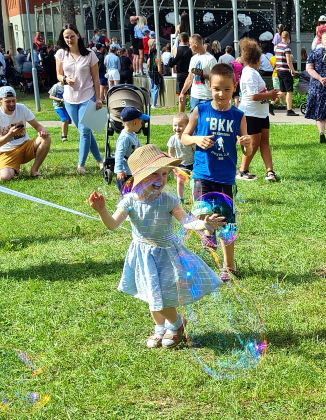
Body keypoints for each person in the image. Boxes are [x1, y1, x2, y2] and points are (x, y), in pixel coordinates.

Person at [88, 144, 225, 349]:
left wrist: (204, 224)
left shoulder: (168, 201)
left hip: (167, 255)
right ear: (139, 176)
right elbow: (112, 224)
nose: (161, 179)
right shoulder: (129, 201)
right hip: (143, 255)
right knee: (150, 294)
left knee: (160, 296)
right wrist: (102, 211)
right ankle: (160, 327)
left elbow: (186, 222)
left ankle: (176, 325)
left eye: (164, 174)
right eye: (155, 174)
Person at [180, 63, 253, 278]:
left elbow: (247, 150)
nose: (221, 94)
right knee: (203, 215)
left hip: (225, 177)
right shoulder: (200, 110)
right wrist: (197, 139)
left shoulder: (238, 116)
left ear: (234, 88)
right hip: (202, 174)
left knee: (226, 223)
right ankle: (208, 235)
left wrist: (247, 144)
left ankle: (229, 266)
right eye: (217, 89)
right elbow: (184, 136)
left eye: (227, 89)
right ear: (209, 87)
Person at [55, 24, 105, 175]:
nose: (69, 39)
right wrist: (65, 79)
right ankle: (100, 161)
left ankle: (81, 165)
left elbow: (96, 78)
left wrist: (98, 98)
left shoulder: (90, 54)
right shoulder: (61, 54)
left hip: (87, 96)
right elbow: (58, 75)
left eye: (72, 36)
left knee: (84, 131)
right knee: (85, 132)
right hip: (69, 98)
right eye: (66, 37)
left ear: (78, 35)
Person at [237, 38, 280, 180]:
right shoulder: (249, 73)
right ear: (257, 59)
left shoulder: (253, 72)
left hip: (261, 113)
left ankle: (270, 171)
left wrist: (270, 95)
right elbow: (253, 96)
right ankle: (242, 170)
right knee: (253, 143)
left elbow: (259, 93)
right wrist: (270, 94)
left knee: (264, 142)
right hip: (251, 113)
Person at [0, 86, 50, 181]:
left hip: (25, 146)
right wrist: (10, 135)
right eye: (8, 102)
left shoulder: (22, 108)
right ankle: (14, 169)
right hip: (7, 151)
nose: (12, 104)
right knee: (4, 177)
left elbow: (38, 126)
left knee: (46, 138)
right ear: (0, 100)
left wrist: (43, 131)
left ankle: (34, 170)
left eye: (13, 100)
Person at [180, 34, 217, 113]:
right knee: (193, 120)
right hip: (194, 97)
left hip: (207, 97)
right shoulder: (193, 59)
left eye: (190, 44)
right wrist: (182, 92)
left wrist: (202, 75)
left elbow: (216, 77)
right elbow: (190, 78)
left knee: (206, 120)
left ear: (196, 44)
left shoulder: (211, 59)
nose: (189, 47)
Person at [114, 106, 147, 191]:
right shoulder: (124, 138)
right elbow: (119, 155)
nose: (141, 125)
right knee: (126, 193)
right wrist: (119, 170)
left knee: (134, 192)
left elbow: (139, 148)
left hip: (132, 170)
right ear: (134, 122)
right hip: (124, 173)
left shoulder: (133, 134)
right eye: (141, 122)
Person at [167, 112, 195, 201]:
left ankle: (195, 198)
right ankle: (180, 198)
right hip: (180, 165)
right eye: (175, 125)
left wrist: (197, 164)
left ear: (187, 127)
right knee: (180, 181)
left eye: (180, 126)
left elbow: (195, 152)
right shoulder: (172, 139)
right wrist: (173, 162)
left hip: (192, 164)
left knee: (194, 182)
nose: (177, 128)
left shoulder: (190, 139)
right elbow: (170, 153)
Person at [275, 31, 299, 116]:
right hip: (285, 71)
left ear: (281, 37)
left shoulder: (277, 46)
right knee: (289, 91)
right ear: (288, 38)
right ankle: (289, 110)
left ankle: (270, 104)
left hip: (278, 70)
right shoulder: (286, 47)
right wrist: (293, 70)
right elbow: (288, 61)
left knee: (282, 91)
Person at [171, 32, 193, 113]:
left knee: (181, 96)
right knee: (191, 96)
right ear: (188, 40)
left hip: (180, 74)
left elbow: (172, 62)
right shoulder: (191, 50)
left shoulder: (176, 50)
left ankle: (181, 114)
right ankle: (192, 113)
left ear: (180, 40)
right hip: (189, 74)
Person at [147, 38, 161, 108]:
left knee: (152, 88)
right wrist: (160, 75)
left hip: (151, 75)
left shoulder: (148, 60)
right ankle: (154, 104)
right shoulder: (157, 60)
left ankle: (152, 103)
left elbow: (147, 67)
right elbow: (159, 70)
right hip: (156, 75)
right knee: (155, 89)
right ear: (155, 53)